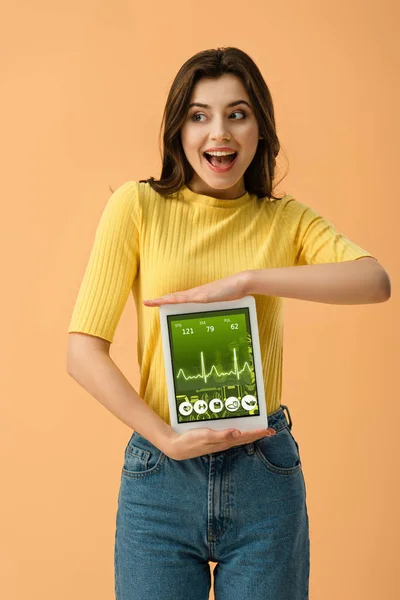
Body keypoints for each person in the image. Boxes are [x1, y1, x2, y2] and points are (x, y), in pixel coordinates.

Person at [67, 47, 390, 600]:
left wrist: (248, 281)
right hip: (160, 477)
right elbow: (82, 351)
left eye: (237, 113)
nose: (220, 133)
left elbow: (375, 280)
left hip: (263, 473)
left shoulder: (284, 219)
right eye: (200, 115)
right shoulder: (136, 207)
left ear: (260, 126)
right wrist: (165, 438)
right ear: (178, 128)